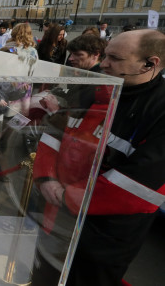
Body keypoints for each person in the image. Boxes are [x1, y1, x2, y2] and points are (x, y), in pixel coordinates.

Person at [34, 30, 165, 286]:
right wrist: (47, 177)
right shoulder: (93, 89)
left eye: (114, 58)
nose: (103, 64)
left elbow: (140, 185)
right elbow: (54, 132)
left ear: (150, 63)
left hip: (102, 238)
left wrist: (66, 195)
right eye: (104, 55)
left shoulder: (159, 110)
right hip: (55, 215)